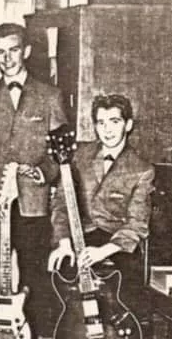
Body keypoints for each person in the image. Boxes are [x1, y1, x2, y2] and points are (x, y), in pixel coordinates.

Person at [0, 23, 68, 331]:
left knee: (36, 280)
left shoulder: (50, 96)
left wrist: (43, 172)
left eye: (13, 50)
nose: (7, 58)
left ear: (26, 51)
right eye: (0, 52)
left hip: (34, 205)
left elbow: (60, 153)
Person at [48, 94, 154, 282]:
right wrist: (63, 242)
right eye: (101, 123)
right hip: (78, 235)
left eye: (114, 121)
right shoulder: (78, 155)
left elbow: (136, 224)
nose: (107, 130)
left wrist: (103, 252)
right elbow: (61, 204)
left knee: (124, 282)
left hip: (116, 242)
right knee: (53, 271)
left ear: (128, 125)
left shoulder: (142, 169)